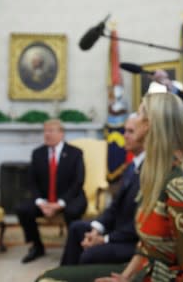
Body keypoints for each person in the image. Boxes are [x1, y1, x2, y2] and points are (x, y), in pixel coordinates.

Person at [96, 92, 183, 282]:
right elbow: (146, 246)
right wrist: (124, 277)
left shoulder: (180, 185)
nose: (134, 119)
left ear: (149, 124)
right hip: (145, 270)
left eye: (139, 113)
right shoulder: (157, 173)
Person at [60, 113, 145, 266]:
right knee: (77, 228)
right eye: (125, 130)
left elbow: (139, 225)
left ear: (146, 136)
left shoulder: (149, 171)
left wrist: (104, 239)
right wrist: (96, 229)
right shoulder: (132, 166)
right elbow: (114, 208)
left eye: (131, 132)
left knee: (90, 254)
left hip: (134, 242)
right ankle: (64, 276)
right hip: (117, 231)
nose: (124, 136)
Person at [17, 119, 87, 263]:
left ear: (61, 133)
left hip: (70, 198)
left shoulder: (75, 153)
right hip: (45, 199)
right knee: (22, 209)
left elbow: (78, 182)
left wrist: (60, 203)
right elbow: (31, 182)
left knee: (72, 212)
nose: (47, 134)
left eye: (51, 131)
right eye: (45, 131)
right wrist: (41, 203)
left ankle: (73, 250)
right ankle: (37, 246)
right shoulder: (38, 153)